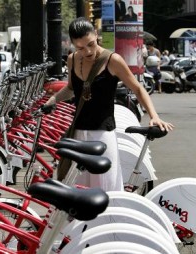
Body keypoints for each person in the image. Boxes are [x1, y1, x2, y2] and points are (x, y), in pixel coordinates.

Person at [45, 17, 173, 191]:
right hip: (78, 132)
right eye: (80, 47)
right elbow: (71, 88)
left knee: (107, 188)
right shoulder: (73, 59)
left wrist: (154, 116)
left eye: (91, 43)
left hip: (103, 134)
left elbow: (138, 89)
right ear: (73, 44)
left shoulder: (112, 60)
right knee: (77, 190)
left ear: (96, 35)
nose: (88, 51)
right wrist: (53, 100)